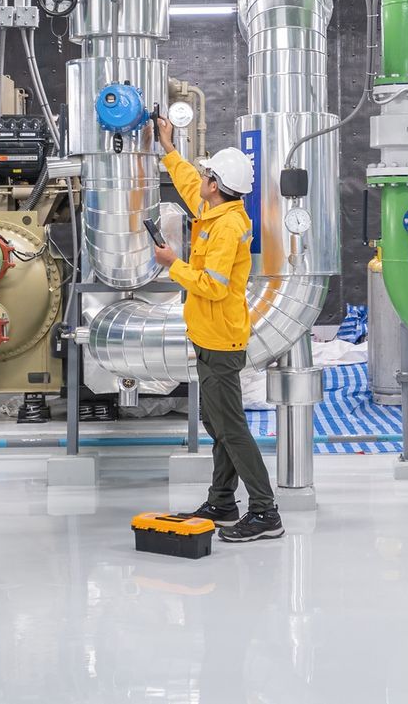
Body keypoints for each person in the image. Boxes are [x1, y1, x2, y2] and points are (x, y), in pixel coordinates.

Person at [150, 114, 282, 543]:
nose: (201, 177)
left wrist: (174, 265)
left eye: (207, 173)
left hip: (221, 339)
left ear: (217, 184)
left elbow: (211, 285)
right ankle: (222, 501)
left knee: (231, 427)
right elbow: (189, 184)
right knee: (218, 419)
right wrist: (169, 149)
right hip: (209, 336)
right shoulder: (216, 208)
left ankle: (265, 511)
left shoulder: (226, 228)